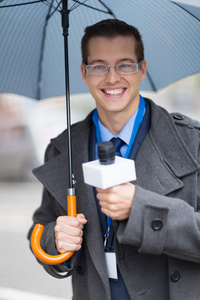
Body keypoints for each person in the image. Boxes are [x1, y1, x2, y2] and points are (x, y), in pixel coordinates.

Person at [28, 19, 200, 300]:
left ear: (141, 69)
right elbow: (40, 230)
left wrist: (142, 210)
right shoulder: (63, 150)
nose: (111, 78)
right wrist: (55, 239)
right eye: (98, 66)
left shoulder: (193, 142)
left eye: (124, 64)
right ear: (84, 73)